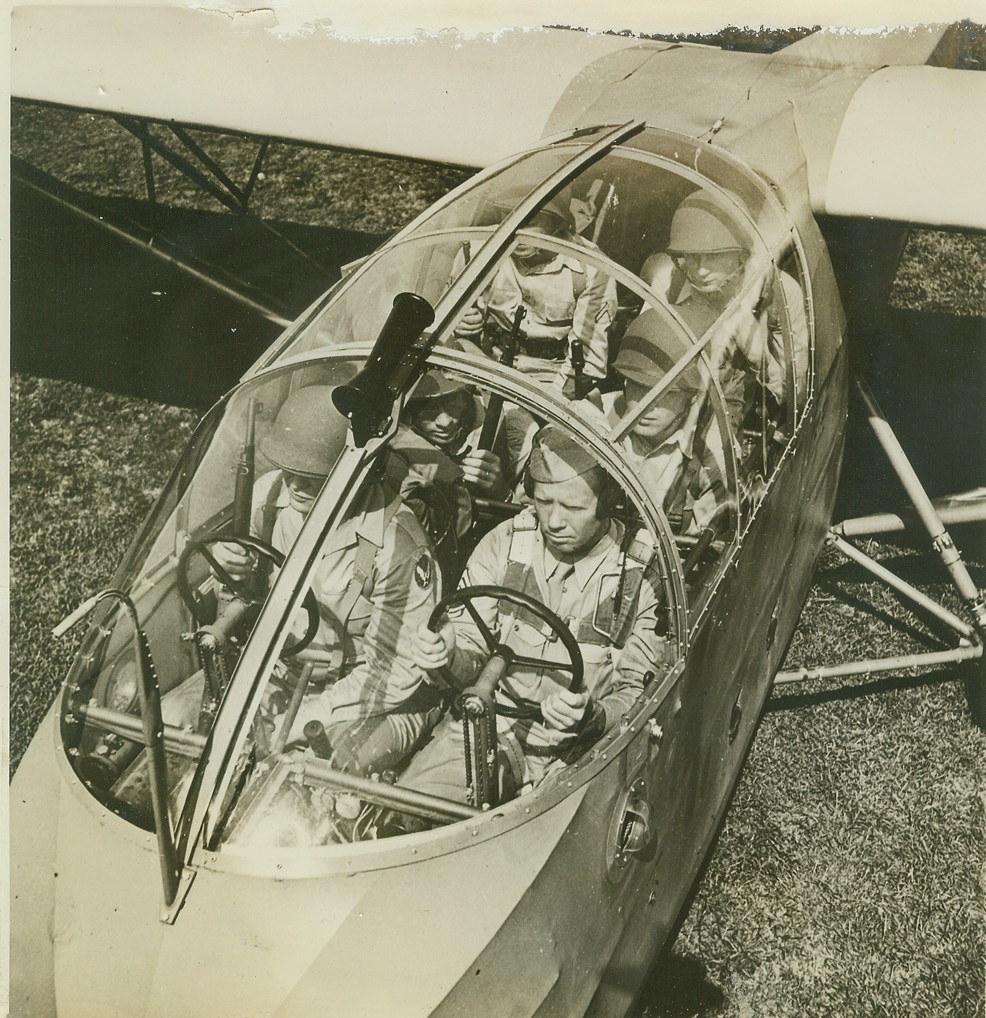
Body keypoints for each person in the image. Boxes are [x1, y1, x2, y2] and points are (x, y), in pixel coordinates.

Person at [399, 424, 670, 807]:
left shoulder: (639, 576)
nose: (554, 521)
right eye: (544, 502)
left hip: (580, 751)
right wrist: (448, 652)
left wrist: (593, 716)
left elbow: (638, 695)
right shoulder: (506, 542)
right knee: (413, 809)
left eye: (574, 508)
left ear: (608, 503)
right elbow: (470, 647)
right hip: (490, 726)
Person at [210, 385, 446, 776]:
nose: (295, 485)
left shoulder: (396, 543)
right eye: (290, 471)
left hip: (371, 696)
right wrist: (230, 569)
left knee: (316, 776)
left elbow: (394, 672)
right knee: (188, 729)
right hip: (278, 673)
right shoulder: (268, 499)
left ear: (355, 472)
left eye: (313, 477)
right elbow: (239, 596)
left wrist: (305, 716)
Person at [640, 188, 809, 429]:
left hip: (742, 422)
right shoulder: (669, 280)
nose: (700, 270)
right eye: (692, 257)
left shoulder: (781, 294)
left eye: (713, 257)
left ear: (741, 253)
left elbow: (795, 399)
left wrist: (759, 357)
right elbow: (641, 363)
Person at [453, 194, 618, 395]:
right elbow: (446, 327)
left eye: (531, 219)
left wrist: (540, 403)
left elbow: (587, 364)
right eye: (510, 215)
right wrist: (460, 324)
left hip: (554, 379)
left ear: (557, 223)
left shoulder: (591, 267)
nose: (518, 229)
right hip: (488, 367)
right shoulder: (478, 249)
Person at [590, 311, 731, 537]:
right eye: (637, 386)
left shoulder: (714, 453)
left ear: (692, 395)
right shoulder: (595, 416)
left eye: (665, 393)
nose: (646, 404)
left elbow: (698, 550)